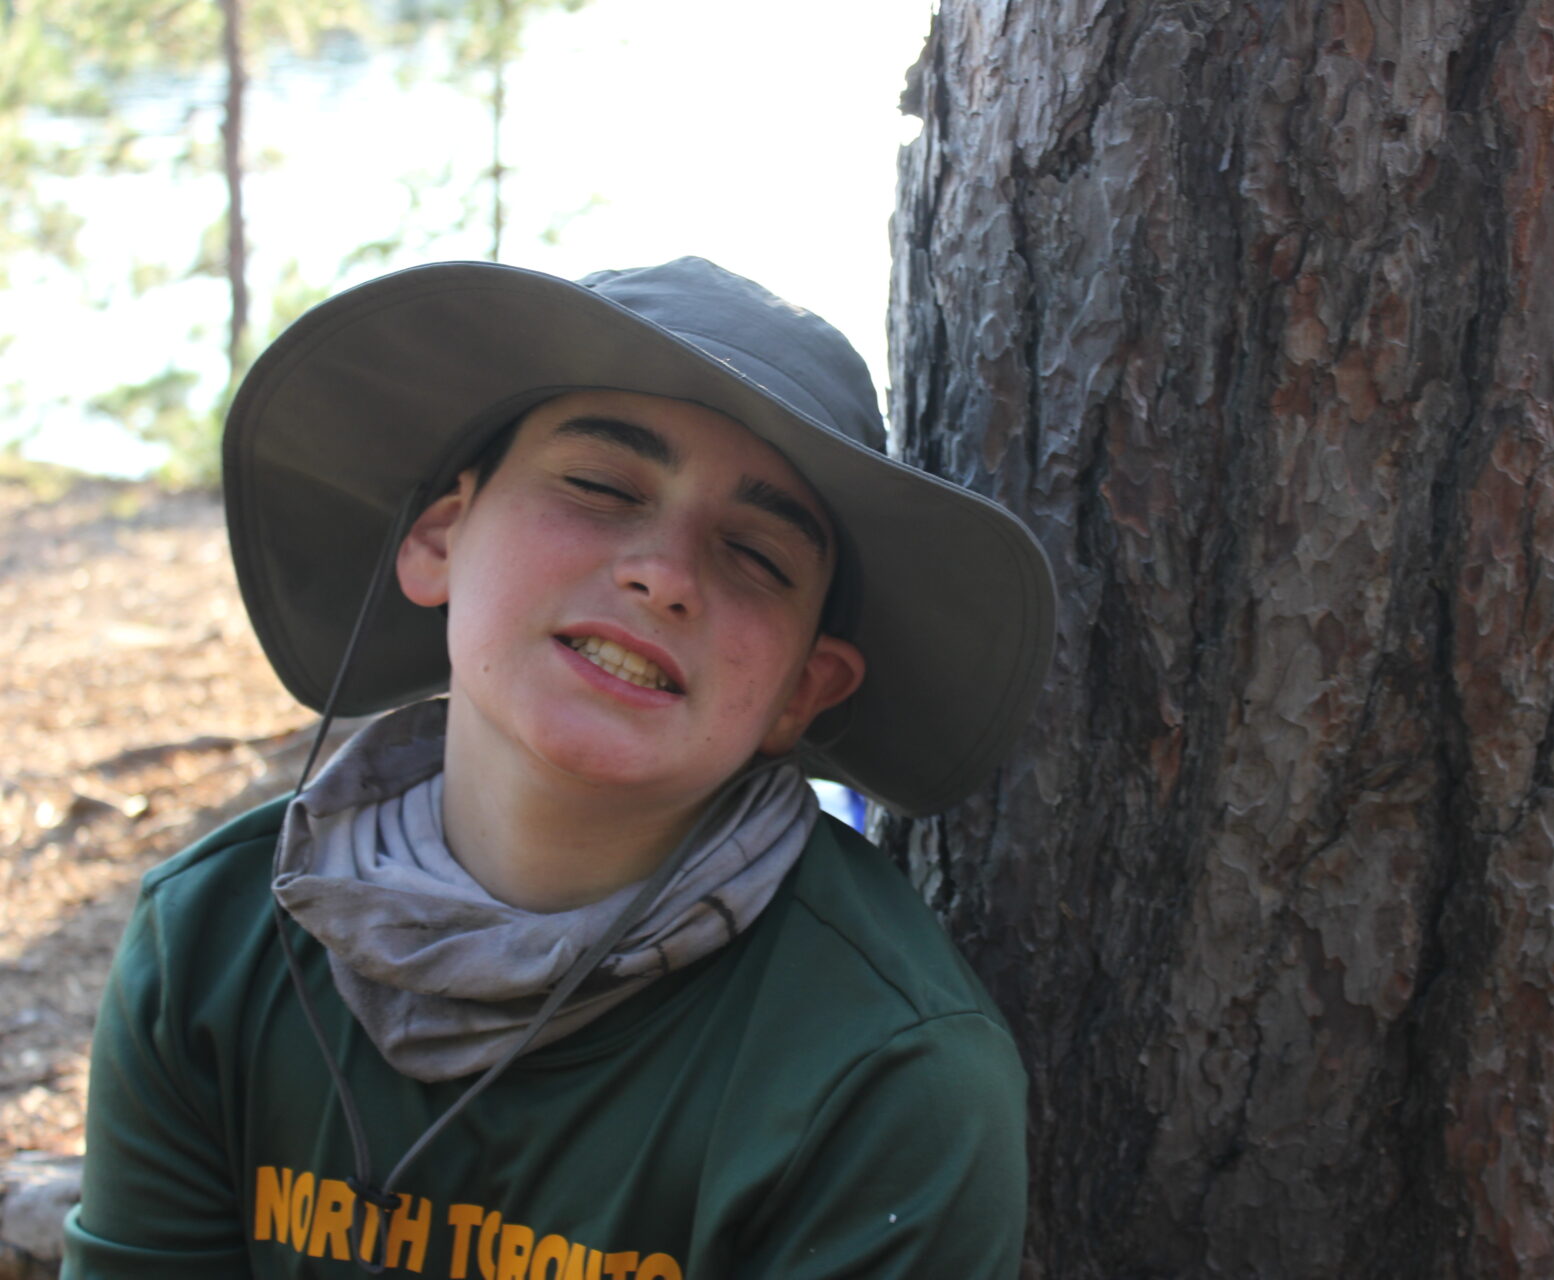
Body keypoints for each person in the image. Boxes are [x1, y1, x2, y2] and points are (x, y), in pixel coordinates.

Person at [61, 258, 1056, 1279]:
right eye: (599, 485)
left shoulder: (881, 1072)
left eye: (755, 553)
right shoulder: (211, 941)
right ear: (439, 535)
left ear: (805, 688)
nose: (662, 573)